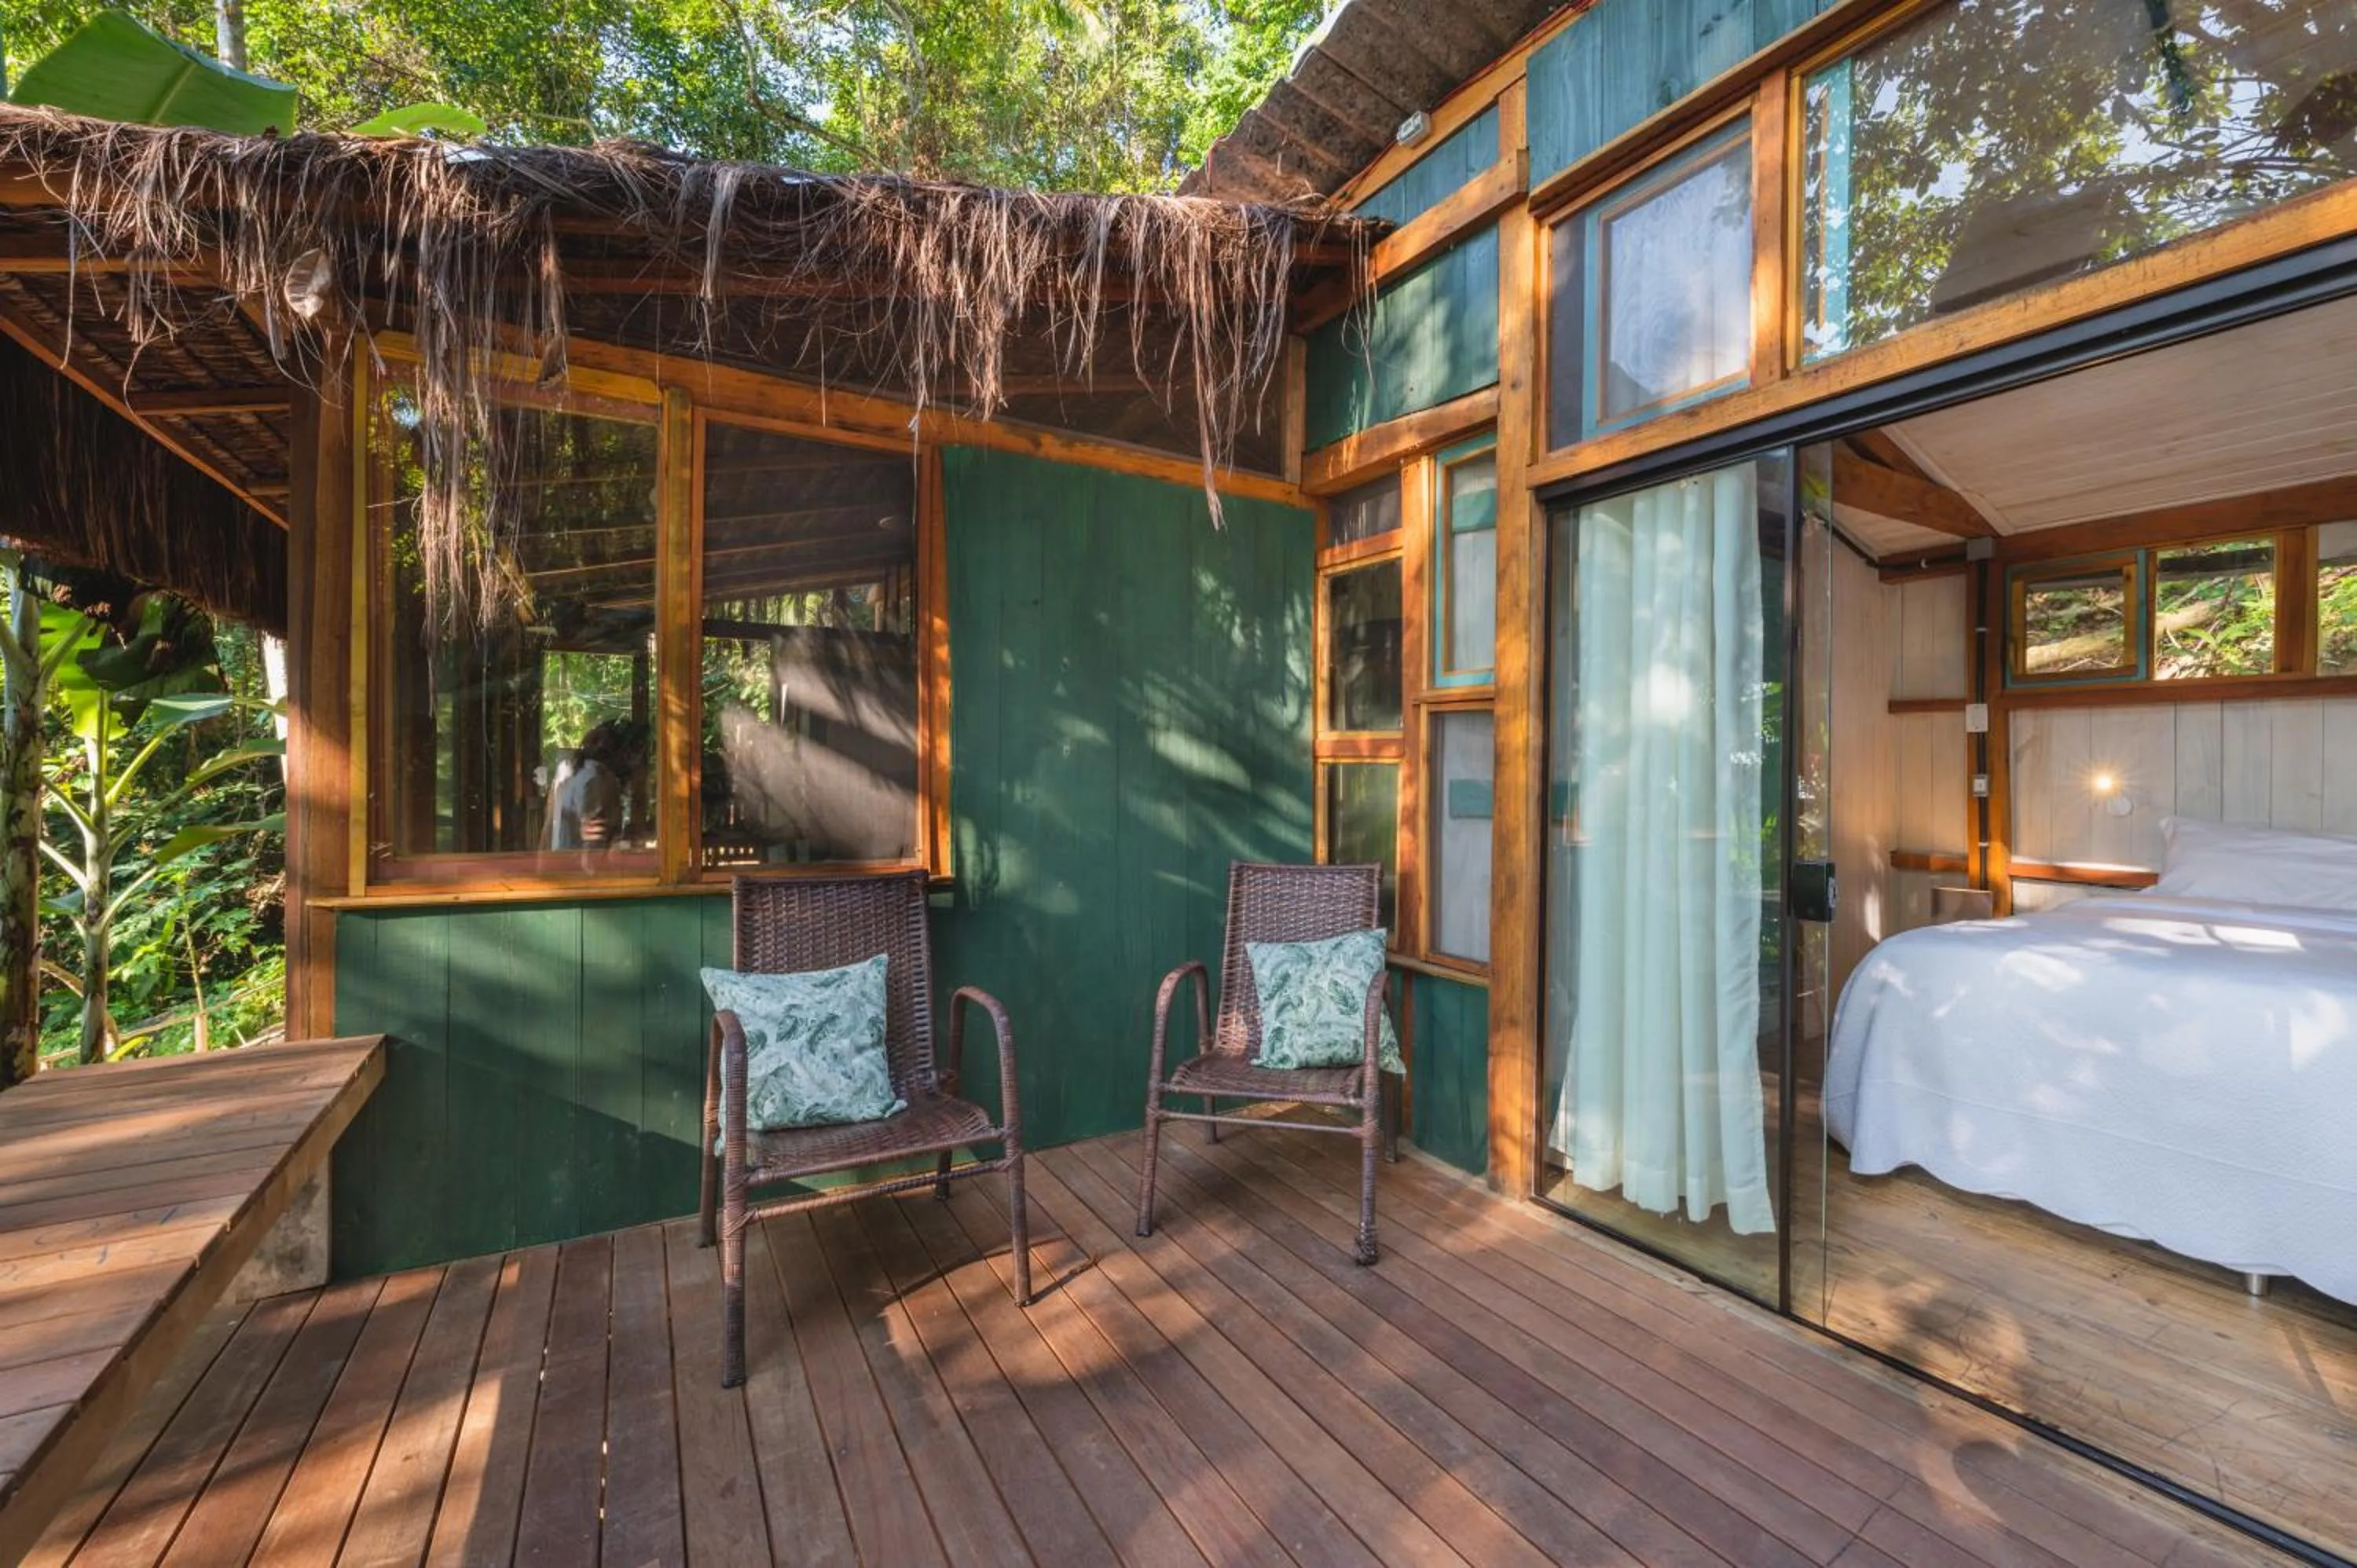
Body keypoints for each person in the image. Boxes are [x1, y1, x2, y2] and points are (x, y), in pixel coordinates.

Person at [548, 720, 636, 849]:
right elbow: (594, 837)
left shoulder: (575, 771)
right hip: (578, 864)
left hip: (562, 861)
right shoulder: (596, 777)